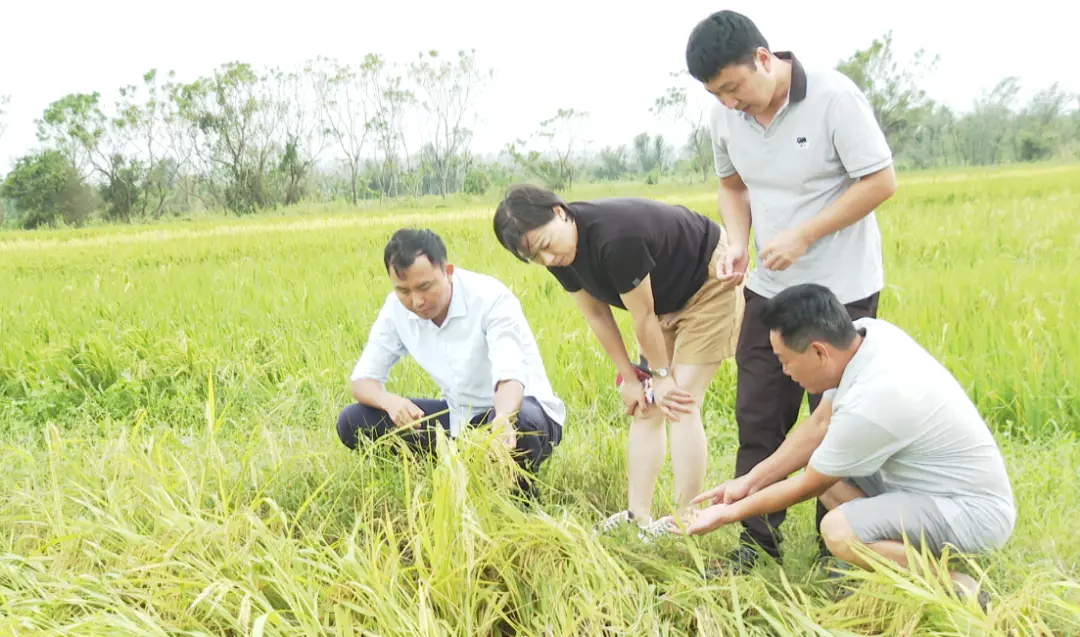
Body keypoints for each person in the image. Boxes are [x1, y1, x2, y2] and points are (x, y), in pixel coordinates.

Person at [684, 10, 899, 569]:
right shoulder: (725, 117)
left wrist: (804, 235)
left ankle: (845, 541)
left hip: (840, 292)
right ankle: (756, 545)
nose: (730, 102)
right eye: (718, 94)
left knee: (840, 420)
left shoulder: (833, 97)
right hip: (768, 289)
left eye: (734, 87)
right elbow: (732, 186)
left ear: (763, 58)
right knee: (758, 415)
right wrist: (736, 241)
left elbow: (881, 180)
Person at [666, 283, 1016, 607]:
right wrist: (747, 482)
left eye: (786, 359)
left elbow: (807, 486)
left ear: (819, 352)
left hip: (972, 512)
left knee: (838, 530)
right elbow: (820, 423)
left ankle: (956, 583)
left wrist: (728, 513)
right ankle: (882, 558)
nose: (785, 371)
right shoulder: (869, 335)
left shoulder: (874, 401)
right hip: (929, 488)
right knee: (826, 473)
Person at [492, 183, 744, 537]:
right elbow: (597, 315)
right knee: (645, 406)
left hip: (707, 280)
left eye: (546, 246)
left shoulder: (616, 237)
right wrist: (630, 378)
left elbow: (643, 316)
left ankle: (686, 518)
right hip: (663, 299)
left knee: (679, 400)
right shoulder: (559, 256)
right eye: (536, 257)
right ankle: (637, 517)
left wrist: (660, 376)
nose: (547, 259)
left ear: (560, 212)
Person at [336, 227, 566, 498]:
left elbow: (510, 378)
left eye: (425, 287)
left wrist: (502, 418)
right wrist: (391, 403)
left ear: (448, 271)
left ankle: (521, 497)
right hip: (460, 419)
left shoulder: (490, 298)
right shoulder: (395, 310)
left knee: (520, 422)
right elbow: (363, 381)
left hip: (519, 408)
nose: (417, 301)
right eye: (403, 290)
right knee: (353, 420)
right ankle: (446, 475)